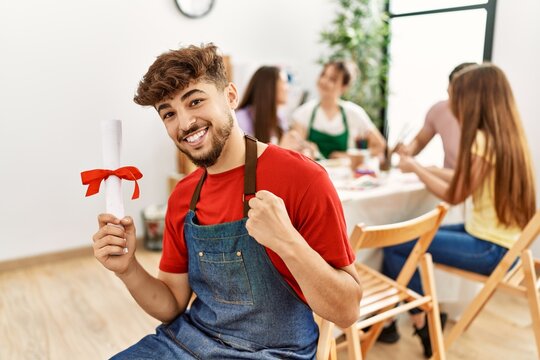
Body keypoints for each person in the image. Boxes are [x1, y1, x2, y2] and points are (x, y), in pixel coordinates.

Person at [91, 44, 362, 359]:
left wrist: (288, 242)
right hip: (187, 343)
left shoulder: (302, 178)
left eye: (195, 101)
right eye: (169, 113)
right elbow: (171, 305)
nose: (185, 123)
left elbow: (347, 310)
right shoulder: (183, 196)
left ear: (231, 96)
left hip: (276, 352)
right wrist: (128, 268)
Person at [383, 63, 536, 358]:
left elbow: (454, 195)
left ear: (476, 99)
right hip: (505, 244)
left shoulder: (480, 140)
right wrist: (425, 167)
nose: (454, 106)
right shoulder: (505, 137)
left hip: (491, 249)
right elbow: (462, 181)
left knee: (395, 244)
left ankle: (422, 320)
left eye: (458, 98)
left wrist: (414, 166)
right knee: (412, 234)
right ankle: (422, 318)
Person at [291, 60, 386, 159]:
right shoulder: (303, 113)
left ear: (344, 87)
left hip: (345, 174)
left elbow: (380, 146)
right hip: (313, 173)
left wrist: (347, 156)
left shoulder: (354, 113)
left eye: (332, 79)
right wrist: (307, 151)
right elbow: (295, 150)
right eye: (323, 75)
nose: (324, 81)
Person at [395, 62, 476, 169]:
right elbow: (420, 141)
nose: (451, 103)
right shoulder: (439, 110)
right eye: (449, 94)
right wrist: (409, 149)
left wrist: (424, 170)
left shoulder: (485, 126)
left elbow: (471, 179)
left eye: (456, 97)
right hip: (445, 183)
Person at [236, 65, 318, 157]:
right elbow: (245, 160)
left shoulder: (279, 116)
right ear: (269, 86)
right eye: (285, 82)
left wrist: (301, 149)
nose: (288, 88)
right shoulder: (241, 119)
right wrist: (282, 149)